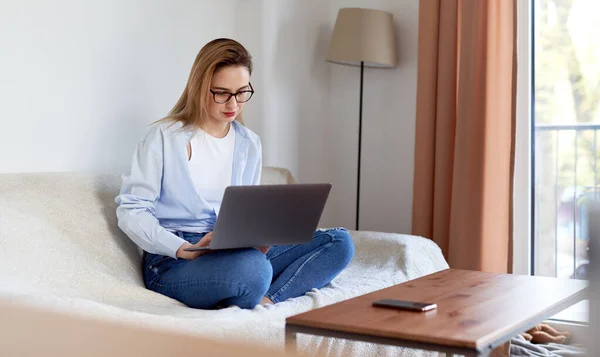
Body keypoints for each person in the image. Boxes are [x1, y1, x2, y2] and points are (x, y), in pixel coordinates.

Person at [115, 38, 354, 310]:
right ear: (200, 88)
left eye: (242, 92)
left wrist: (260, 239)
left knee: (339, 241)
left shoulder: (249, 143)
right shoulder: (164, 137)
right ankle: (252, 285)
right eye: (222, 93)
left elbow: (248, 211)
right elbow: (132, 210)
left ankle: (265, 298)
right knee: (254, 270)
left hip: (235, 252)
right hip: (174, 260)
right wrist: (183, 248)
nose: (233, 104)